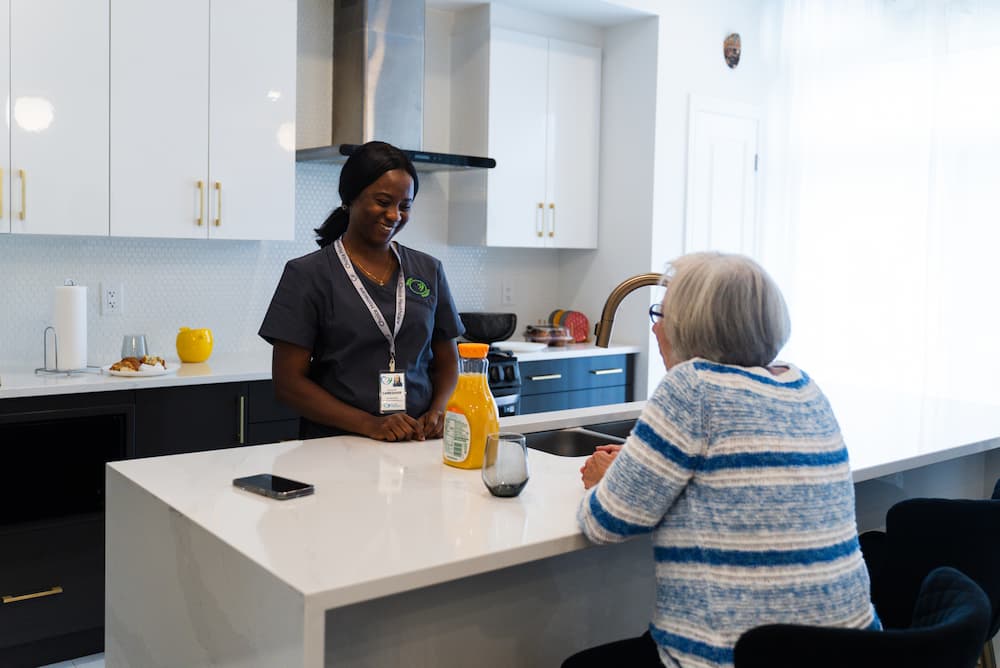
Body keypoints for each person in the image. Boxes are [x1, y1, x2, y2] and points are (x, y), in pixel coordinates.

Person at [563, 252, 879, 668]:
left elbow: (605, 524)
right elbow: (735, 470)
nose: (656, 327)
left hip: (733, 658)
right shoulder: (804, 384)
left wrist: (607, 479)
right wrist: (647, 463)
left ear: (689, 326)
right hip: (860, 652)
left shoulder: (691, 388)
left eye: (661, 314)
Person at [259, 140, 464, 442]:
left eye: (404, 206)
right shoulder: (308, 275)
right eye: (383, 202)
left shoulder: (428, 271)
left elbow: (448, 360)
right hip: (335, 445)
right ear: (350, 198)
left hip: (417, 443)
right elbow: (288, 384)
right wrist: (371, 424)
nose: (394, 215)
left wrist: (438, 409)